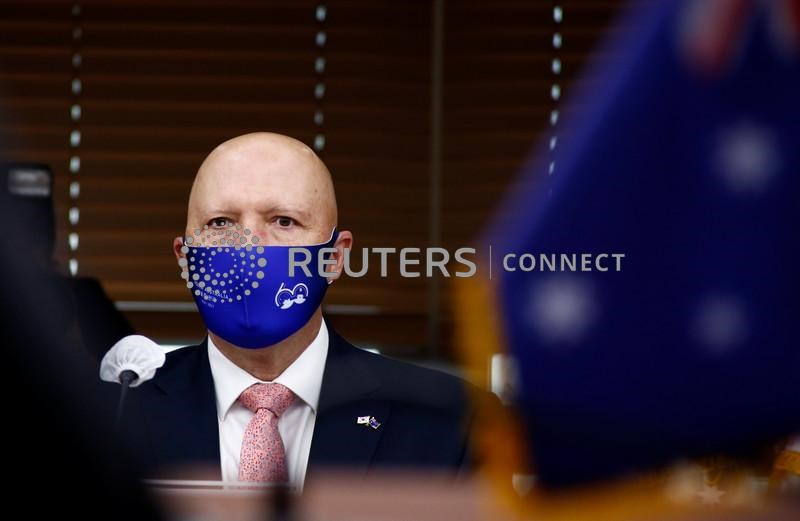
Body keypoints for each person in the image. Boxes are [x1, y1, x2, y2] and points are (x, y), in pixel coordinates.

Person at [119, 133, 480, 491]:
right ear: (184, 258)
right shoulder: (108, 413)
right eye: (220, 223)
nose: (250, 247)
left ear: (335, 257)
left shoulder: (448, 418)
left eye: (283, 221)